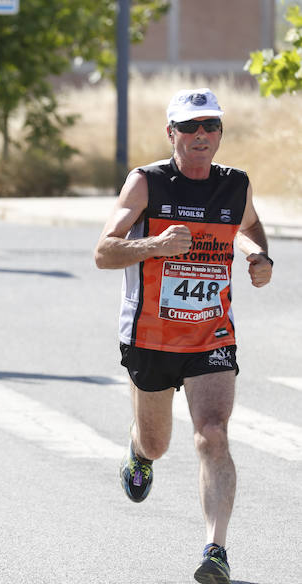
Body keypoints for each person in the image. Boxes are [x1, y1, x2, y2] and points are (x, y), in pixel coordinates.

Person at [94, 87, 273, 584]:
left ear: (219, 133)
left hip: (212, 335)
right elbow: (104, 252)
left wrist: (260, 258)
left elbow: (253, 227)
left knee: (213, 434)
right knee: (157, 444)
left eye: (210, 126)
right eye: (190, 127)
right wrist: (154, 244)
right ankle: (137, 447)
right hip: (150, 337)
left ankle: (216, 551)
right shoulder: (147, 182)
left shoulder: (235, 185)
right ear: (171, 132)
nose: (201, 135)